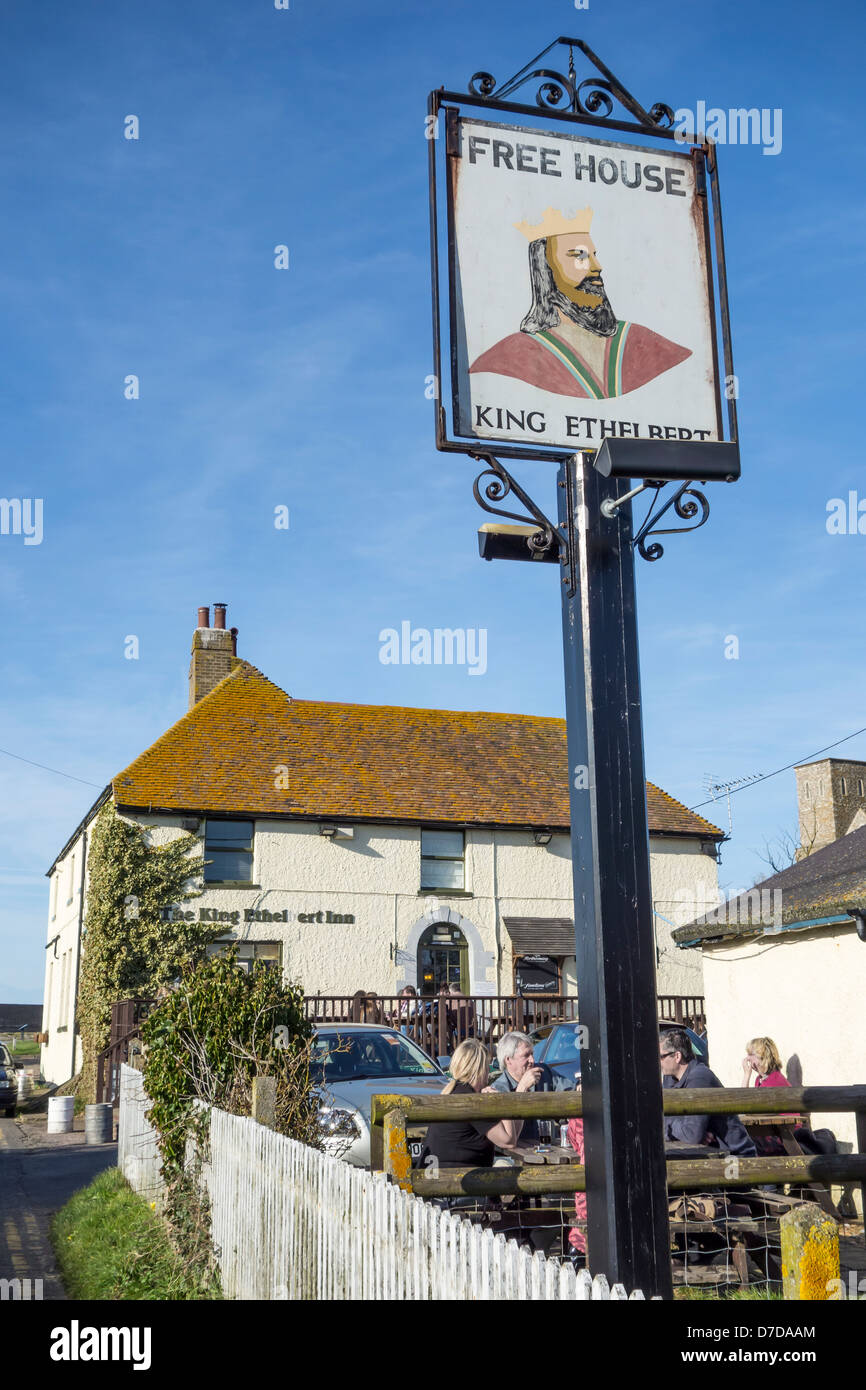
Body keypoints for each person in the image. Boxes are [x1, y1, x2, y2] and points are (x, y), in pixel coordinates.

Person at [469, 206, 691, 400]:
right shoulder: (509, 357)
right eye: (580, 256)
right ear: (546, 267)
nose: (597, 266)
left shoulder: (642, 342)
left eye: (594, 255)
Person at [421, 1038, 530, 1168]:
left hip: (437, 1174)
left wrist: (521, 1092)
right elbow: (509, 1142)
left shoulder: (455, 1091)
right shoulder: (471, 1101)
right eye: (487, 1066)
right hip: (453, 1180)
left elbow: (513, 1137)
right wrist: (501, 1103)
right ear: (480, 1069)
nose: (489, 1072)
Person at [660, 1029, 757, 1156]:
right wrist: (675, 1127)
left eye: (661, 1056)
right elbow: (661, 1118)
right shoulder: (670, 1077)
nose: (658, 1062)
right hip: (709, 1154)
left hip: (735, 1158)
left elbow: (692, 1135)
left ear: (677, 1056)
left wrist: (669, 1127)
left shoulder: (699, 1078)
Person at [489, 1030, 574, 1144]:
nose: (532, 1060)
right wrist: (522, 1088)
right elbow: (506, 1138)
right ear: (508, 1060)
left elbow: (570, 1092)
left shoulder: (543, 1072)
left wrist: (579, 1087)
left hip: (551, 1149)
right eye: (526, 1055)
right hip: (518, 1156)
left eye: (532, 1054)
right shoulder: (498, 1089)